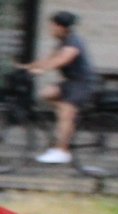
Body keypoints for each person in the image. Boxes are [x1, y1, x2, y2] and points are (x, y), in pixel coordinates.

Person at [19, 10, 96, 164]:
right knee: (46, 94)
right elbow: (50, 58)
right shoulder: (62, 41)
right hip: (71, 82)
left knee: (65, 110)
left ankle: (62, 151)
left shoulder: (74, 42)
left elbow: (62, 60)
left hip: (82, 83)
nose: (50, 29)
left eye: (52, 26)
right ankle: (67, 121)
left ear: (61, 27)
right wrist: (28, 66)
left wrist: (42, 69)